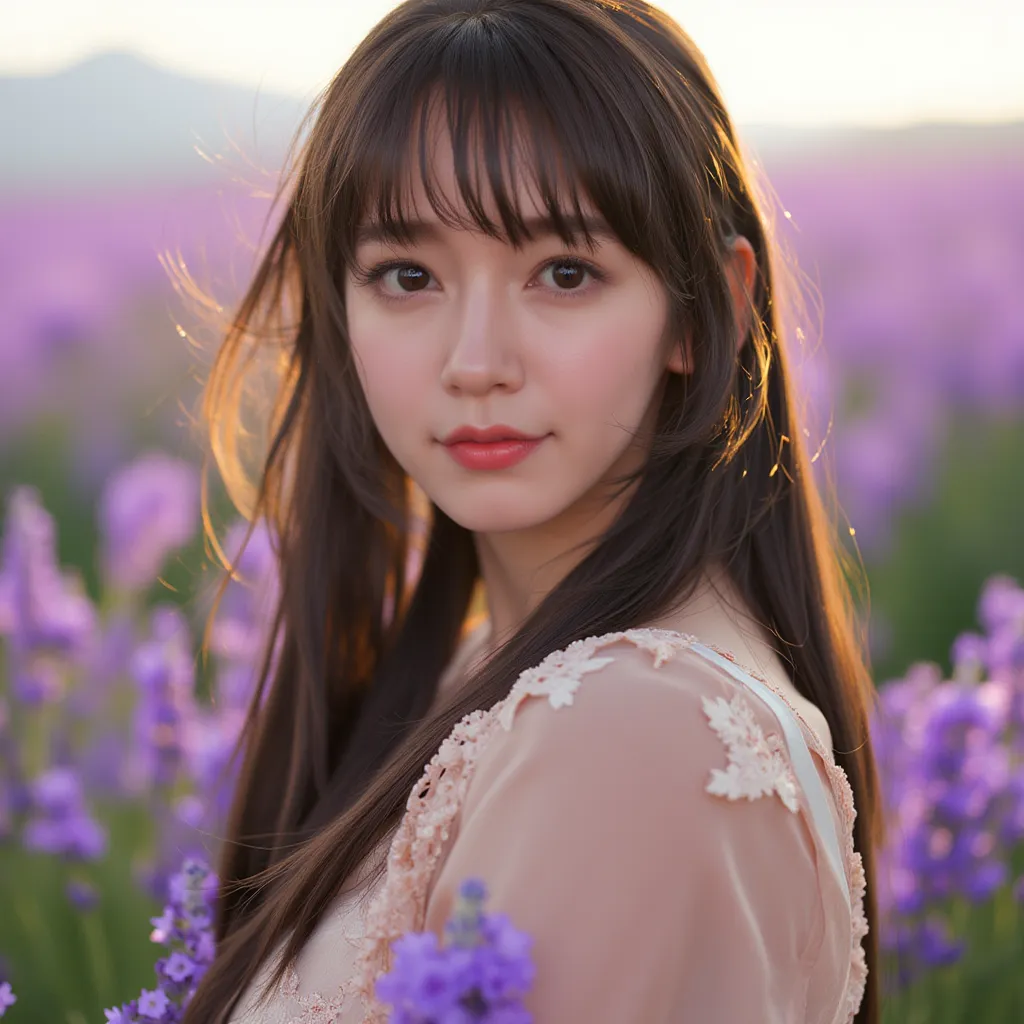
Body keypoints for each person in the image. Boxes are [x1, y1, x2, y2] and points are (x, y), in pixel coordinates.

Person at [183, 1, 883, 1021]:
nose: (475, 364)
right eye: (407, 275)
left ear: (707, 310)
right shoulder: (501, 674)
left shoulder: (630, 728)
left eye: (564, 273)